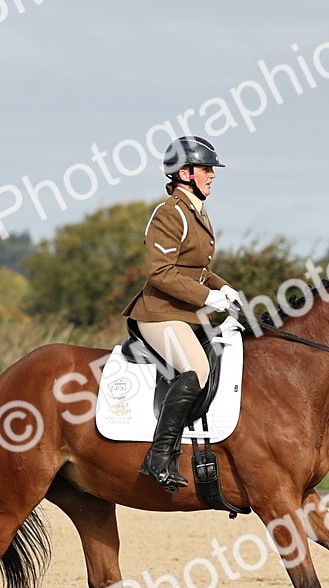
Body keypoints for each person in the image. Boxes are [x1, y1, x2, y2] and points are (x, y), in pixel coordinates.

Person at [122, 136, 240, 491]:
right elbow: (160, 273)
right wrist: (208, 296)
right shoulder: (169, 213)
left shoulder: (197, 213)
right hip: (158, 314)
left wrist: (222, 288)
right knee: (197, 368)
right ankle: (158, 457)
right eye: (206, 169)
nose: (212, 176)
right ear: (185, 173)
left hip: (186, 315)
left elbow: (197, 270)